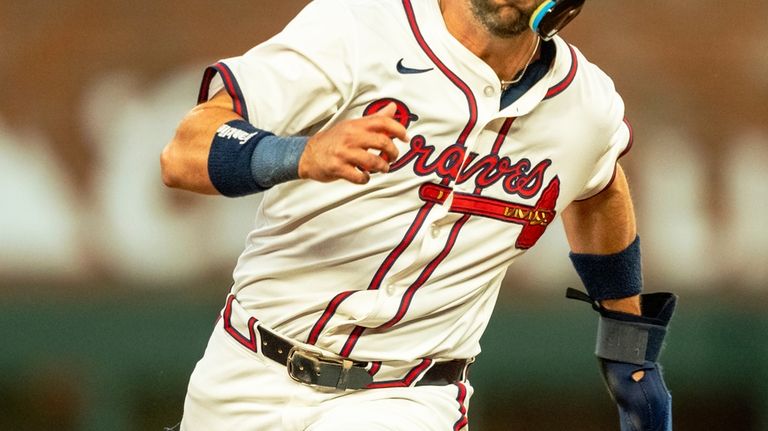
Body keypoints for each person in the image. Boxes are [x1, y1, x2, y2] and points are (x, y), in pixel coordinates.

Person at [160, 0, 676, 429]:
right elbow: (184, 152)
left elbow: (599, 188)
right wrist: (300, 153)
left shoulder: (585, 106)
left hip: (407, 394)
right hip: (248, 368)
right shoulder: (358, 28)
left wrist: (628, 345)